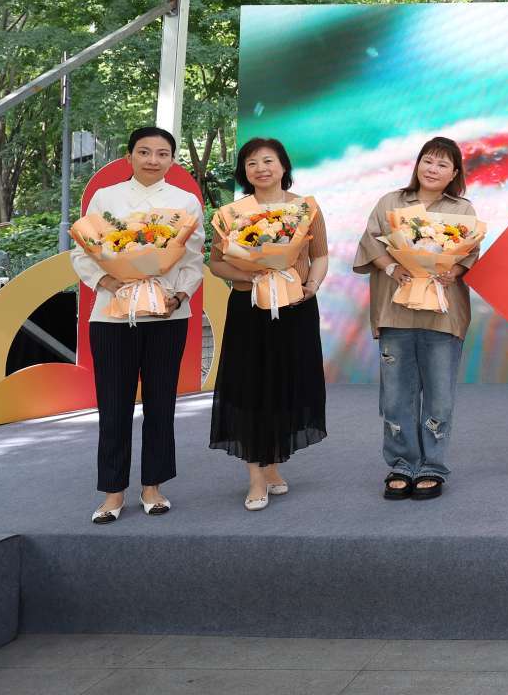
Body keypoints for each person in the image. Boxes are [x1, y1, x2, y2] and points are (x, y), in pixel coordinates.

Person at [69, 126, 204, 524]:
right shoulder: (105, 197)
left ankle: (153, 487)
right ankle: (112, 492)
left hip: (166, 314)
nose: (152, 160)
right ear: (129, 156)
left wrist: (179, 295)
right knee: (113, 404)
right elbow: (83, 252)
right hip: (112, 314)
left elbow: (193, 259)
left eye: (162, 154)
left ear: (172, 160)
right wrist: (106, 281)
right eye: (144, 152)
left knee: (161, 402)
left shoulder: (185, 202)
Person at [353, 137, 480, 501]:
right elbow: (371, 242)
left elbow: (470, 251)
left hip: (442, 312)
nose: (433, 169)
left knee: (439, 397)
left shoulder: (462, 209)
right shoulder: (391, 202)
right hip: (396, 310)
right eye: (428, 161)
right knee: (396, 395)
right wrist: (392, 267)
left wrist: (455, 270)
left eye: (442, 164)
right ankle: (402, 464)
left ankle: (432, 466)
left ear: (454, 173)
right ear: (417, 164)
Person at [207, 138, 329, 511]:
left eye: (268, 161)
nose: (260, 168)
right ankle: (256, 477)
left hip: (295, 305)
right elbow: (216, 263)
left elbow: (320, 255)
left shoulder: (306, 208)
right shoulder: (231, 214)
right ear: (244, 172)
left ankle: (272, 464)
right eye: (251, 163)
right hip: (249, 307)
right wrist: (253, 271)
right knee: (250, 387)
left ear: (283, 166)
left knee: (284, 384)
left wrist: (312, 285)